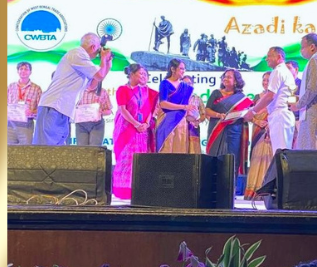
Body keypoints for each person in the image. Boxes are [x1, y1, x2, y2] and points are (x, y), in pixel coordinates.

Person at [33, 33, 113, 146]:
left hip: (63, 110)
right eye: (98, 50)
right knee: (45, 148)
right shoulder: (77, 54)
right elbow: (99, 75)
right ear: (93, 47)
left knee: (57, 149)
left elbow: (92, 86)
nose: (98, 54)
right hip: (53, 107)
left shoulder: (83, 62)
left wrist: (107, 64)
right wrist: (103, 59)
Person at [111, 64, 159, 199]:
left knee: (140, 159)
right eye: (140, 73)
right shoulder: (123, 90)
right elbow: (123, 110)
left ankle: (139, 189)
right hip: (126, 129)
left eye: (145, 74)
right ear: (131, 75)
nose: (143, 76)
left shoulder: (150, 93)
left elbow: (151, 111)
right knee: (125, 159)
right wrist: (136, 124)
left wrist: (146, 124)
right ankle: (123, 191)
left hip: (143, 131)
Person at [244, 47, 296, 155]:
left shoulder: (278, 71)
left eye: (269, 56)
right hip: (283, 115)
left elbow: (270, 96)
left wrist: (253, 111)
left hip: (280, 115)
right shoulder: (286, 72)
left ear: (279, 57)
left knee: (281, 154)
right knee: (282, 153)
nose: (266, 59)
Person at [205, 69, 252, 175]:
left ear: (235, 81)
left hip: (234, 130)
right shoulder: (216, 93)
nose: (225, 79)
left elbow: (246, 115)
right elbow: (207, 110)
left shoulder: (241, 98)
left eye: (229, 77)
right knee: (214, 157)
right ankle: (214, 182)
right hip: (217, 128)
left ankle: (231, 183)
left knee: (232, 157)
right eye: (224, 76)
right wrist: (218, 115)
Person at [155, 58, 198, 153]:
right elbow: (163, 104)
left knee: (180, 149)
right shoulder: (165, 83)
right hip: (166, 120)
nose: (183, 71)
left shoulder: (185, 87)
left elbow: (189, 107)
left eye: (184, 69)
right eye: (181, 68)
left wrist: (193, 115)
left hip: (181, 122)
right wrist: (184, 107)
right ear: (173, 69)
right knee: (166, 148)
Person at [244, 72, 273, 199]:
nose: (265, 82)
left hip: (271, 130)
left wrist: (270, 124)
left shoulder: (276, 97)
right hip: (258, 131)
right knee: (257, 157)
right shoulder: (257, 97)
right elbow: (248, 115)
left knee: (269, 158)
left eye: (268, 80)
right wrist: (257, 121)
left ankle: (266, 190)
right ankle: (253, 191)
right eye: (264, 80)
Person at [7, 61, 42, 145]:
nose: (23, 71)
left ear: (30, 72)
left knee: (25, 150)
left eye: (26, 69)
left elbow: (41, 109)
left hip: (26, 126)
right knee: (9, 150)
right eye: (21, 69)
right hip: (10, 125)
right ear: (17, 71)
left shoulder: (36, 88)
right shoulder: (11, 86)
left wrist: (32, 112)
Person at [183, 75, 206, 153]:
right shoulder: (178, 99)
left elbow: (203, 114)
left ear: (193, 85)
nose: (187, 86)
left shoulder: (197, 98)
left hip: (193, 127)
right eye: (184, 84)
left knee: (194, 151)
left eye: (189, 83)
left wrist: (198, 121)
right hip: (181, 127)